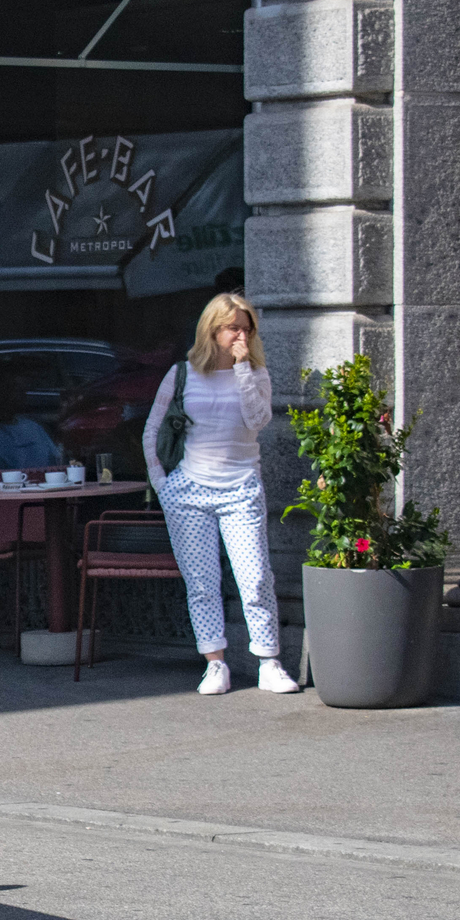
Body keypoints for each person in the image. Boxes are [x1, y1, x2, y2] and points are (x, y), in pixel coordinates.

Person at [144, 291, 299, 696]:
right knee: (202, 582)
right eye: (233, 328)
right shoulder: (182, 374)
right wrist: (164, 487)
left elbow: (258, 420)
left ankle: (269, 662)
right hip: (188, 491)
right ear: (212, 330)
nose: (241, 336)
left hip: (240, 488)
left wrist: (245, 368)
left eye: (246, 329)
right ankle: (215, 665)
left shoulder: (256, 373)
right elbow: (151, 431)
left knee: (255, 578)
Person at [0, 363, 60, 473]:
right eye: (10, 388)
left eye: (21, 389)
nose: (17, 395)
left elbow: (57, 464)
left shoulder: (34, 428)